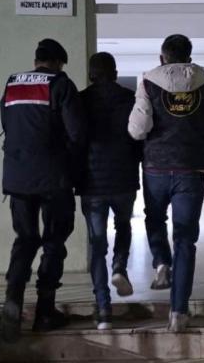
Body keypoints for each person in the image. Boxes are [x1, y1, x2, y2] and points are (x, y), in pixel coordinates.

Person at [127, 34, 204, 332]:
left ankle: (161, 261)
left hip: (156, 167)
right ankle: (179, 313)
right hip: (191, 168)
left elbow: (138, 128)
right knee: (185, 239)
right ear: (190, 57)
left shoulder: (148, 83)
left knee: (154, 218)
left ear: (162, 58)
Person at [0, 38, 84, 342]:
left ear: (36, 61)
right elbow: (77, 132)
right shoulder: (61, 84)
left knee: (25, 238)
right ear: (58, 63)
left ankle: (13, 298)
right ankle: (45, 311)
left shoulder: (12, 84)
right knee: (54, 241)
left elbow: (7, 125)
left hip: (17, 177)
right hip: (53, 177)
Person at [77, 52, 142, 330]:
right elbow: (139, 136)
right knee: (124, 225)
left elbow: (75, 138)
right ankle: (119, 267)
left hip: (92, 181)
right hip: (123, 178)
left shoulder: (80, 100)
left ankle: (103, 309)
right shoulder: (129, 98)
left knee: (97, 243)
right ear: (115, 74)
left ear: (91, 74)